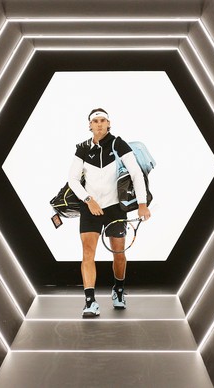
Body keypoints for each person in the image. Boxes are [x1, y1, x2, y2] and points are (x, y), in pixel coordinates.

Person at [68, 108, 151, 318]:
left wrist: (142, 203)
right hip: (91, 208)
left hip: (115, 208)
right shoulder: (82, 149)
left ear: (108, 124)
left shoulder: (118, 144)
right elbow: (73, 180)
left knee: (119, 253)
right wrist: (88, 200)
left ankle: (119, 290)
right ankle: (90, 302)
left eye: (102, 120)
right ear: (89, 125)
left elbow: (136, 173)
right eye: (95, 121)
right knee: (88, 253)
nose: (99, 124)